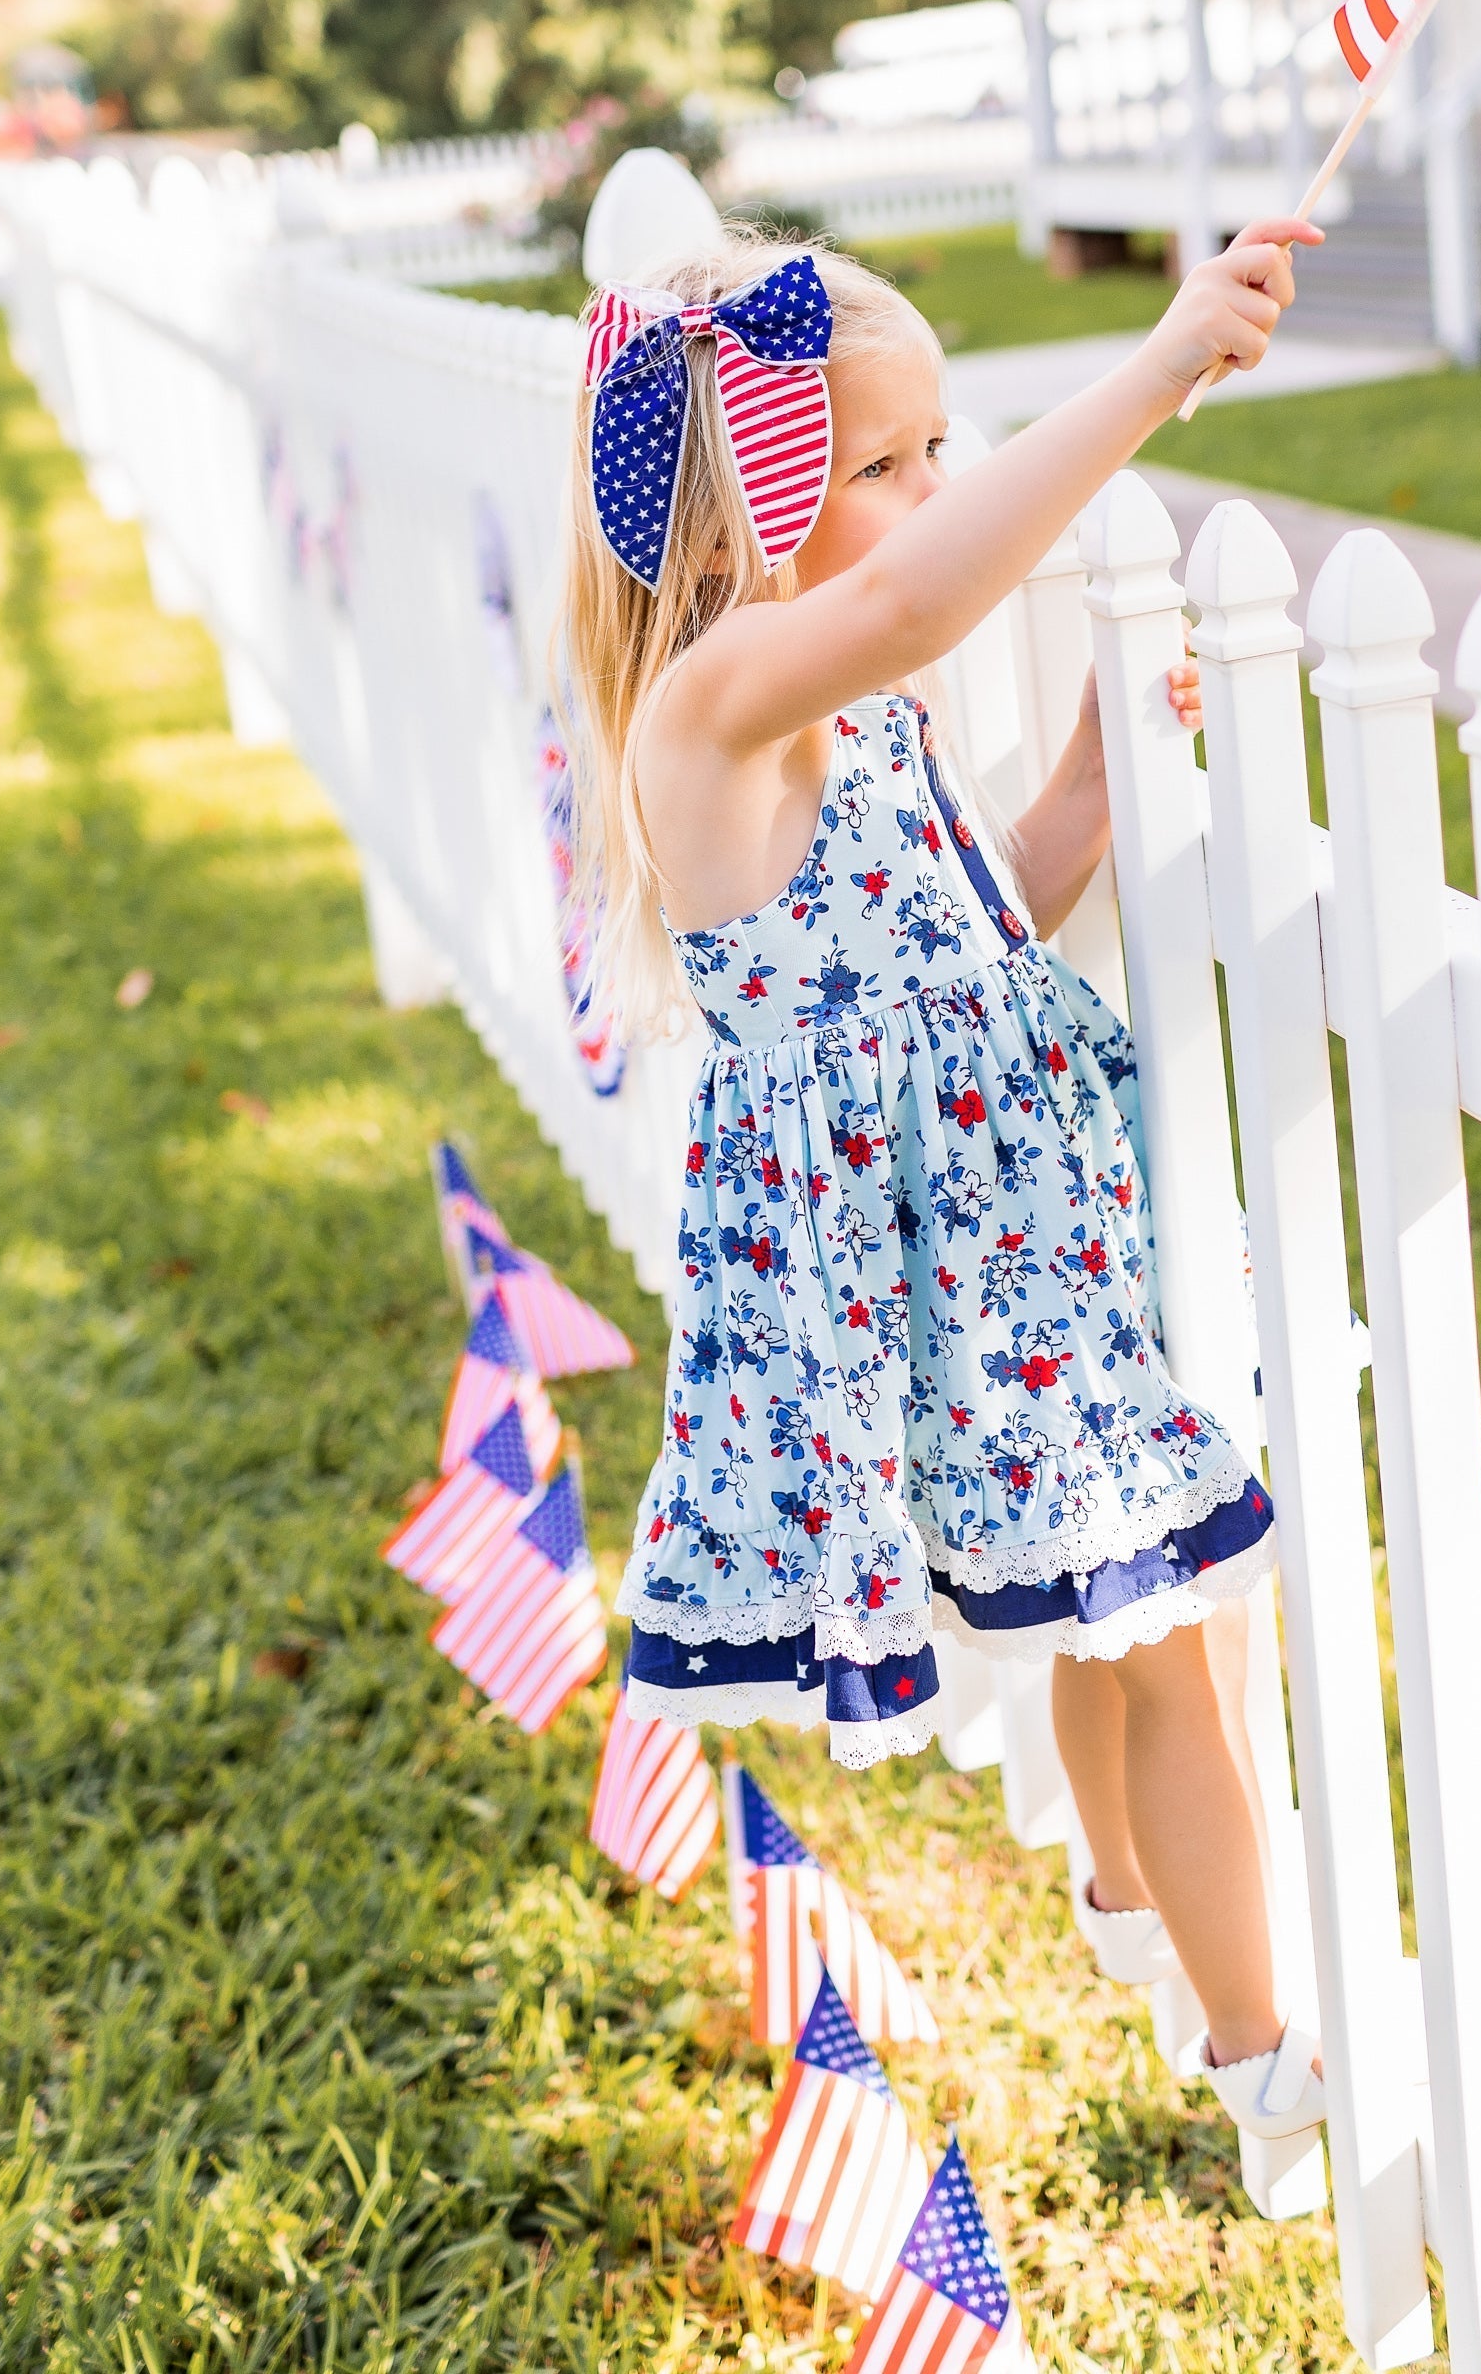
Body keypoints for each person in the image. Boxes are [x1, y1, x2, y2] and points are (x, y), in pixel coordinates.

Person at [555, 214, 1325, 2148]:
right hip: (935, 1276)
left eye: (934, 452)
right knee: (1173, 1651)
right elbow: (909, 613)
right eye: (879, 465)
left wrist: (1089, 769)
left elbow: (989, 921)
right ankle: (1271, 2061)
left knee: (1123, 1611)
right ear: (747, 518)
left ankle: (1136, 1917)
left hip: (1027, 1252)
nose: (928, 494)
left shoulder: (870, 720)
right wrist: (1159, 367)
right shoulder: (712, 711)